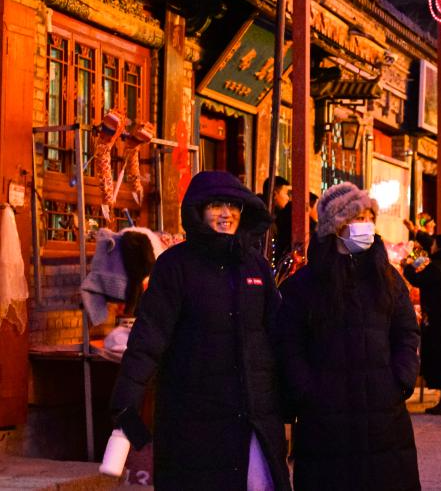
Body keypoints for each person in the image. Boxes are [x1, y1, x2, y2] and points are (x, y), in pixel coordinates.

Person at [109, 171, 290, 490]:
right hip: (194, 414)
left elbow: (278, 336)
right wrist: (127, 401)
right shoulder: (174, 266)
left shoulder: (256, 266)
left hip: (255, 416)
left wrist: (293, 397)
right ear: (198, 210)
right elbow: (150, 337)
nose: (227, 213)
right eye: (216, 205)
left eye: (234, 205)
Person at [277, 182, 421, 490]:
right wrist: (307, 392)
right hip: (326, 419)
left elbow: (406, 332)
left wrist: (401, 379)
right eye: (357, 218)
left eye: (369, 217)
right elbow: (289, 344)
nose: (365, 225)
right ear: (335, 227)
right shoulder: (304, 286)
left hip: (384, 415)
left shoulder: (387, 278)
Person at [403, 232, 441, 416]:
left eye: (434, 244)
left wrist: (407, 266)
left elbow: (418, 278)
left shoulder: (439, 267)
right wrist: (416, 234)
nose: (432, 247)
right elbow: (425, 261)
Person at [261, 175, 292, 263]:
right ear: (274, 194)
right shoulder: (263, 220)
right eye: (286, 193)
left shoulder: (274, 218)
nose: (288, 198)